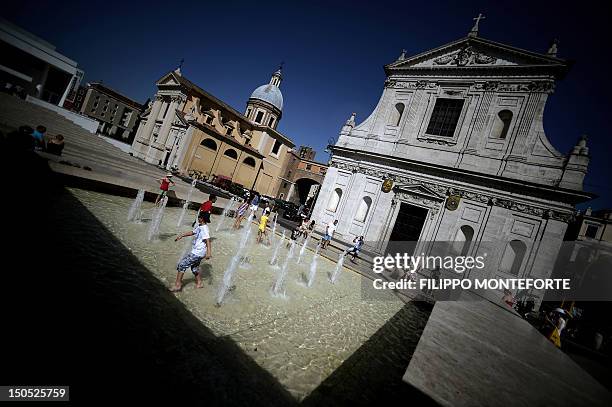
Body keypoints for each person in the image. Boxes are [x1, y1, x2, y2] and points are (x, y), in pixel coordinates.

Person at [172, 212, 212, 292]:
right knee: (194, 268)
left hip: (197, 253)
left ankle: (178, 285)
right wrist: (182, 235)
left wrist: (209, 253)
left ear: (202, 219)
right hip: (199, 253)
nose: (198, 218)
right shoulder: (200, 226)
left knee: (182, 265)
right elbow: (193, 232)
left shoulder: (204, 228)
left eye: (199, 217)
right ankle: (199, 283)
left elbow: (208, 240)